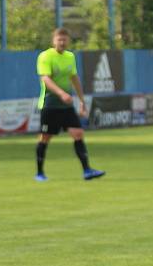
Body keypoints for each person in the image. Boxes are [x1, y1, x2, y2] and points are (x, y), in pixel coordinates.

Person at [35, 27, 105, 181]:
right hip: (50, 104)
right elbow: (45, 79)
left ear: (68, 41)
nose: (62, 42)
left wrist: (81, 101)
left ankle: (87, 170)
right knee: (45, 137)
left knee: (78, 133)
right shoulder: (45, 56)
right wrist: (61, 93)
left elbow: (74, 78)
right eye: (59, 39)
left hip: (66, 105)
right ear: (53, 41)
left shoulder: (70, 57)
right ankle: (40, 173)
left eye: (64, 39)